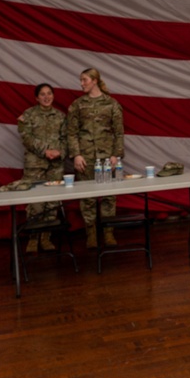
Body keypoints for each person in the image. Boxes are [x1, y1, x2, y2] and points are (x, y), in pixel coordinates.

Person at [66, 67, 125, 249]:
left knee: (108, 196)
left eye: (84, 80)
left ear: (94, 81)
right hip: (86, 158)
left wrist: (116, 155)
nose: (81, 83)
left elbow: (119, 133)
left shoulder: (111, 104)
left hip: (106, 158)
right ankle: (91, 234)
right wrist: (76, 155)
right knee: (88, 198)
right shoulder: (77, 105)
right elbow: (71, 133)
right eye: (81, 80)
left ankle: (108, 232)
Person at [17, 83, 67, 254]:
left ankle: (46, 237)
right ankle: (33, 237)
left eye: (49, 93)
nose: (46, 97)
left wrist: (59, 152)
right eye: (42, 94)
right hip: (35, 165)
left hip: (55, 165)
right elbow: (26, 138)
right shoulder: (28, 115)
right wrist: (45, 151)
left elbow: (67, 139)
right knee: (36, 203)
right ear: (36, 98)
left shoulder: (61, 117)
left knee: (52, 202)